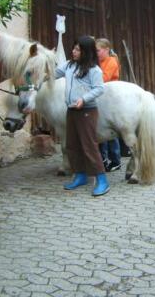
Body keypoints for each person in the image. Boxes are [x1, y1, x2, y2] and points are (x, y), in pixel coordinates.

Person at [55, 35, 109, 196]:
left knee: (89, 146)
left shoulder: (94, 69)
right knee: (72, 145)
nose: (74, 51)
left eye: (78, 49)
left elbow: (99, 89)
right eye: (74, 48)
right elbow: (54, 73)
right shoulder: (69, 66)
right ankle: (80, 175)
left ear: (86, 51)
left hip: (86, 111)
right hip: (71, 111)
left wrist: (83, 100)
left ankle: (102, 180)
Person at [96, 38, 122, 172]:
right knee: (101, 130)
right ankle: (104, 158)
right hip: (101, 99)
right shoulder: (99, 62)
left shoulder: (111, 61)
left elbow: (104, 78)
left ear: (106, 50)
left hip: (110, 99)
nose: (96, 53)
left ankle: (116, 160)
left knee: (111, 130)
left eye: (98, 51)